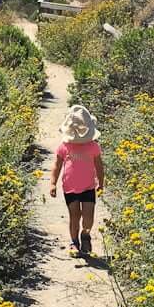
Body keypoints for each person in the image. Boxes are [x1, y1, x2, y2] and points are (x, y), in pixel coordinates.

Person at [49, 105, 105, 255]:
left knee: (88, 217)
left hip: (88, 187)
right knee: (74, 215)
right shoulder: (64, 146)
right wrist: (53, 183)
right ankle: (74, 242)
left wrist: (101, 182)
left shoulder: (93, 146)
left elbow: (99, 165)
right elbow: (57, 165)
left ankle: (85, 235)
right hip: (70, 187)